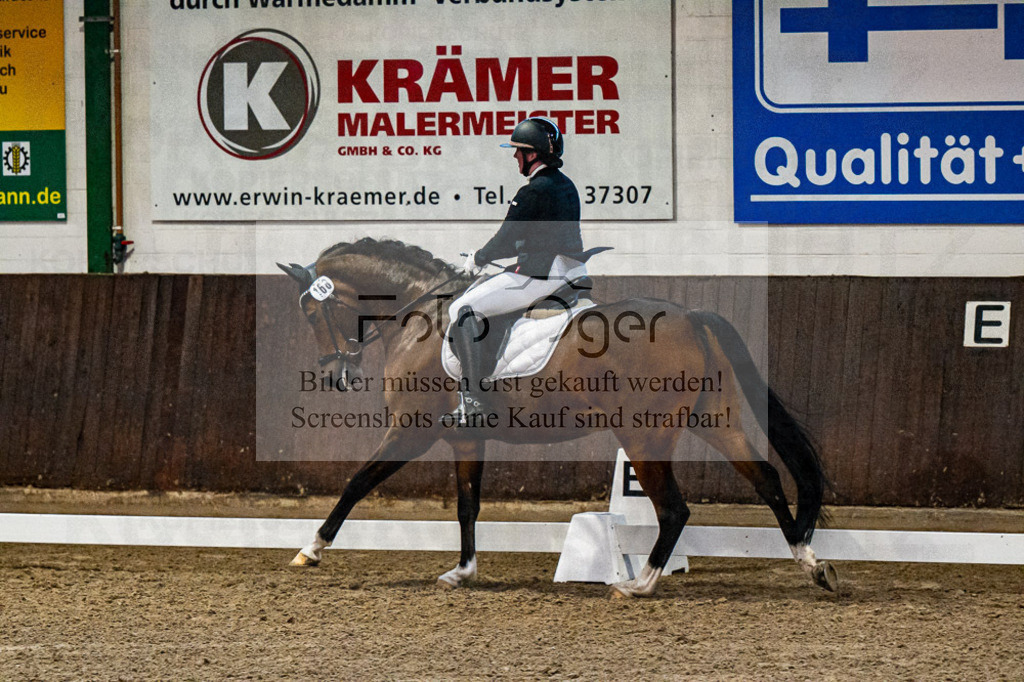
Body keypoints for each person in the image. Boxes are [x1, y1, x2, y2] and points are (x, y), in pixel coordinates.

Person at [448, 117, 586, 427]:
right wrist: (488, 256)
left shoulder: (534, 190)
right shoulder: (565, 185)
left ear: (533, 154)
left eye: (518, 151)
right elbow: (529, 238)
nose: (514, 157)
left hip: (540, 276)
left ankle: (472, 402)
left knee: (462, 308)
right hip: (571, 270)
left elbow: (507, 235)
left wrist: (480, 257)